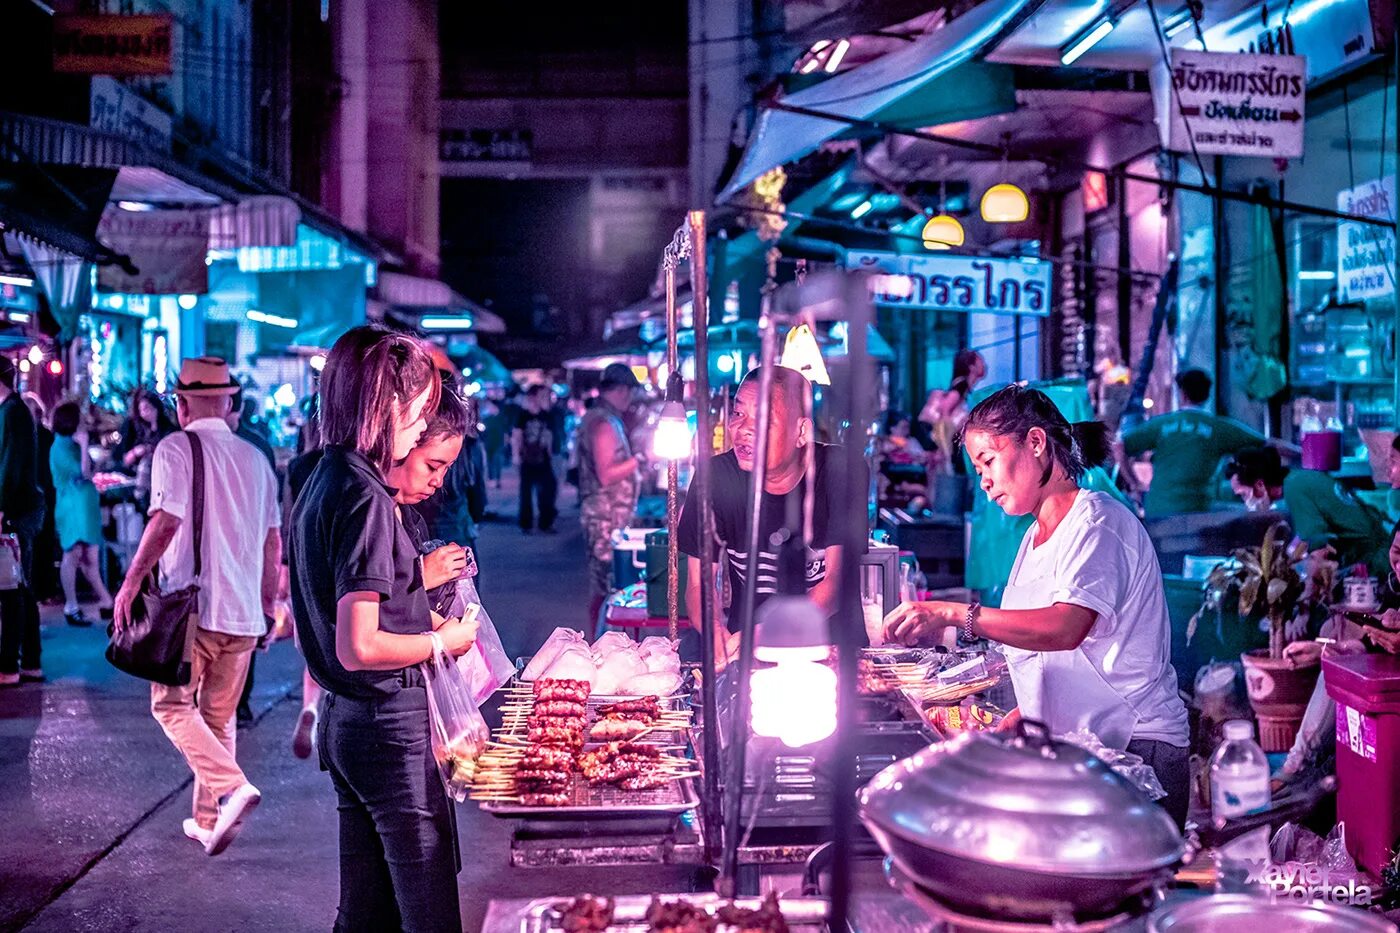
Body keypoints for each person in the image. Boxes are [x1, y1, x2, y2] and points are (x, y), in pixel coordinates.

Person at [883, 384, 1191, 826]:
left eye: (988, 461)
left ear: (1036, 443)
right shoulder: (1033, 538)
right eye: (977, 469)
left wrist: (954, 615)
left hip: (1138, 750)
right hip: (1081, 747)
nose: (984, 480)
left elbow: (1065, 629)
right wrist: (1014, 720)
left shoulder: (1098, 523)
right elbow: (1043, 659)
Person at [289, 325, 477, 932]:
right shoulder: (365, 495)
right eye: (420, 410)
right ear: (385, 404)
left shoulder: (323, 474)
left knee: (366, 914)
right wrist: (439, 642)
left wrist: (417, 588)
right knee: (427, 913)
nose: (424, 424)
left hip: (349, 724)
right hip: (384, 723)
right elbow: (359, 644)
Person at [111, 358, 281, 855]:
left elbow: (165, 521)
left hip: (195, 611)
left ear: (183, 404)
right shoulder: (256, 458)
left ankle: (231, 786)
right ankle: (210, 821)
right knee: (218, 717)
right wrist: (269, 607)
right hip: (245, 612)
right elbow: (274, 544)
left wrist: (130, 583)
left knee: (169, 706)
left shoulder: (175, 448)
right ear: (228, 402)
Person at [678, 367, 862, 662]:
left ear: (801, 431)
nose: (743, 429)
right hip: (749, 657)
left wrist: (762, 634)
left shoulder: (839, 472)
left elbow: (836, 582)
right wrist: (714, 632)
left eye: (762, 418)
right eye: (738, 414)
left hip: (830, 654)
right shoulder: (714, 478)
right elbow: (699, 585)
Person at [1121, 369, 1267, 517]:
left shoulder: (1161, 424)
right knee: (1247, 514)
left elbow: (1119, 446)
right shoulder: (1219, 428)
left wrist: (1135, 484)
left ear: (1182, 394)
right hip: (1198, 510)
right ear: (1207, 395)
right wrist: (1292, 454)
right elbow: (1268, 445)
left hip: (1158, 510)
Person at [1227, 445, 1391, 577]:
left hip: (1376, 559)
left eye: (1243, 495)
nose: (1246, 502)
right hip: (1377, 547)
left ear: (1260, 485)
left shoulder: (1295, 490)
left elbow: (1319, 547)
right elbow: (1307, 534)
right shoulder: (1297, 479)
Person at [577, 363, 643, 628]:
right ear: (622, 390)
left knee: (608, 588)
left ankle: (605, 643)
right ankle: (603, 645)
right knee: (607, 589)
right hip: (605, 519)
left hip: (607, 516)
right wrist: (639, 459)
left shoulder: (601, 417)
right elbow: (606, 473)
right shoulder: (603, 422)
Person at [0, 355, 45, 686]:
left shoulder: (13, 412)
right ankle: (28, 662)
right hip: (20, 509)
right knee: (18, 586)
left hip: (16, 512)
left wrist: (1, 509)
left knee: (13, 587)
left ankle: (14, 665)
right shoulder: (13, 411)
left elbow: (10, 468)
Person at [49, 402, 113, 627]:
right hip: (73, 506)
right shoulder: (61, 446)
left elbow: (91, 469)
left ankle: (106, 601)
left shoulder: (72, 444)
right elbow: (84, 472)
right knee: (73, 554)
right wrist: (85, 444)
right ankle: (72, 605)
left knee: (90, 557)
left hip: (85, 505)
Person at [24, 393, 61, 604]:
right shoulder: (47, 436)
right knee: (45, 542)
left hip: (33, 493)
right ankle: (46, 589)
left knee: (34, 544)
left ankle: (34, 588)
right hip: (47, 492)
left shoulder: (26, 437)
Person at [114, 387, 177, 510]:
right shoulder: (139, 430)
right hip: (136, 474)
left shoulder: (168, 430)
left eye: (147, 408)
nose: (144, 413)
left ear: (156, 408)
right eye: (141, 410)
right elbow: (125, 457)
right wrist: (137, 452)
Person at [514, 383, 558, 534]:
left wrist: (550, 453)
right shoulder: (523, 414)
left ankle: (546, 522)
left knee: (548, 489)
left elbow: (549, 435)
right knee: (526, 491)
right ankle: (526, 524)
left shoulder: (547, 415)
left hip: (544, 457)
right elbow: (517, 435)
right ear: (533, 396)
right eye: (541, 395)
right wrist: (516, 455)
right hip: (527, 458)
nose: (544, 398)